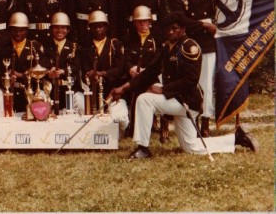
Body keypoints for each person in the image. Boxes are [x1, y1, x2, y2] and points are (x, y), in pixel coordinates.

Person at [110, 11, 258, 159]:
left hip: (187, 102)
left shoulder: (190, 48)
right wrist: (123, 88)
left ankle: (143, 148)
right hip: (175, 100)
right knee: (191, 147)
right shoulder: (167, 47)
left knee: (144, 99)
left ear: (183, 29)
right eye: (167, 29)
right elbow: (149, 72)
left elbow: (190, 80)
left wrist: (162, 90)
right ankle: (237, 138)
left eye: (175, 28)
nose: (171, 32)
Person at [168, 0, 218, 137]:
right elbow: (181, 19)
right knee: (191, 82)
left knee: (207, 82)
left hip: (208, 44)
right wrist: (204, 25)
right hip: (189, 43)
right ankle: (193, 120)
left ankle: (205, 122)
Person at [79, 11, 129, 135]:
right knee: (80, 111)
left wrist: (103, 73)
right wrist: (89, 74)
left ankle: (115, 134)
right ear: (89, 28)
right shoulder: (85, 46)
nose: (98, 29)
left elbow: (120, 69)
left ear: (106, 27)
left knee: (121, 119)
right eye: (94, 26)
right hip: (92, 94)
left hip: (112, 92)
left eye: (101, 26)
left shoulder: (115, 44)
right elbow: (84, 68)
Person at [123, 5, 165, 140]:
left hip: (152, 76)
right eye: (139, 21)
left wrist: (147, 71)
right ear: (134, 23)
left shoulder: (157, 39)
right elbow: (126, 58)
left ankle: (159, 125)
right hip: (135, 76)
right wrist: (131, 68)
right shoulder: (129, 38)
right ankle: (133, 126)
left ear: (150, 22)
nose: (143, 24)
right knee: (134, 92)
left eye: (146, 21)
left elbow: (158, 59)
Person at [0, 12, 50, 113]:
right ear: (10, 30)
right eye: (15, 30)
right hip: (10, 93)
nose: (18, 33)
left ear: (26, 30)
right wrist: (6, 79)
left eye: (21, 30)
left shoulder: (34, 46)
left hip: (31, 92)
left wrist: (21, 75)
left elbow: (43, 69)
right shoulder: (3, 47)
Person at [43, 12, 81, 114]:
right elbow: (42, 63)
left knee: (80, 105)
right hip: (50, 90)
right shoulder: (45, 46)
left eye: (63, 27)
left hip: (68, 89)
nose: (60, 30)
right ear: (51, 29)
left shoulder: (73, 46)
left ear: (68, 30)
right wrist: (48, 72)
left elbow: (76, 66)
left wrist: (63, 71)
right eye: (56, 27)